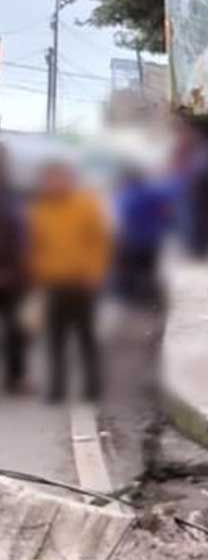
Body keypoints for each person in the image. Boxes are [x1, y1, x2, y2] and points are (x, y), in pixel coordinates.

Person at [27, 161, 110, 403]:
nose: (54, 185)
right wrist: (36, 276)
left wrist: (96, 272)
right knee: (55, 338)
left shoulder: (86, 205)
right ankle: (57, 387)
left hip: (82, 282)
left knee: (86, 336)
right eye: (49, 180)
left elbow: (100, 242)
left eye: (59, 179)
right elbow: (34, 247)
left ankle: (93, 386)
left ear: (69, 180)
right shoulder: (39, 211)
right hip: (53, 283)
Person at [110, 165, 175, 309]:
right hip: (151, 240)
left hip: (131, 241)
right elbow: (168, 208)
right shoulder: (153, 193)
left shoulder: (124, 197)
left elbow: (119, 222)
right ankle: (151, 299)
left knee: (131, 271)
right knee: (148, 270)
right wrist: (162, 225)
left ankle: (134, 300)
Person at [0, 145, 24, 395]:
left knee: (16, 329)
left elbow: (20, 236)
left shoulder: (10, 198)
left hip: (11, 275)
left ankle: (15, 378)